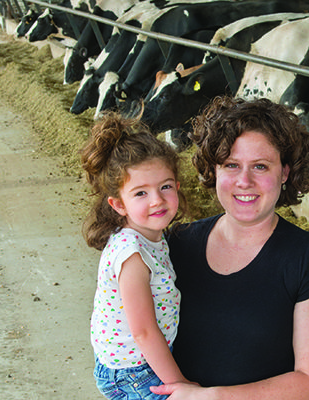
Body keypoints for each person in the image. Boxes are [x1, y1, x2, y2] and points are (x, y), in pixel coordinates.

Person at [150, 96, 309, 399]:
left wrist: (210, 397)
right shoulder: (177, 244)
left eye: (260, 166)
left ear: (284, 173)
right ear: (214, 169)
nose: (244, 181)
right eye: (231, 165)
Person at [81, 111, 192, 399]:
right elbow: (143, 331)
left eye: (165, 187)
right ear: (119, 204)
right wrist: (180, 385)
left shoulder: (152, 237)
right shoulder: (132, 255)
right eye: (140, 193)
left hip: (144, 359)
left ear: (177, 187)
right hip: (132, 372)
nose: (157, 200)